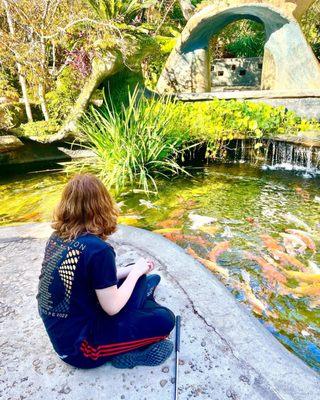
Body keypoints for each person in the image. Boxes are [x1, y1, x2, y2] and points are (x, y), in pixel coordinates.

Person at [36, 173, 175, 369]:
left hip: (69, 327)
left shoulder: (57, 237)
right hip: (81, 349)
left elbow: (85, 279)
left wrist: (131, 270)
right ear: (102, 206)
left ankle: (143, 298)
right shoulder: (99, 250)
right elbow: (112, 307)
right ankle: (130, 353)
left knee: (140, 277)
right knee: (165, 320)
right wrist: (134, 273)